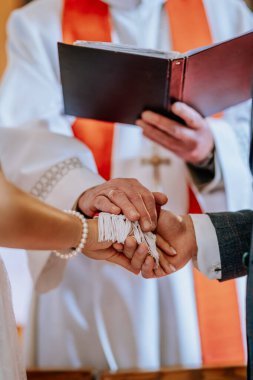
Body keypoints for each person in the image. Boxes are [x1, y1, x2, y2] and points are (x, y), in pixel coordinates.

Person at [0, 0, 252, 370]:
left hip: (198, 254)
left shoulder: (227, 14)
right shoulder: (40, 21)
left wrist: (211, 149)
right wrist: (86, 193)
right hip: (90, 259)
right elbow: (26, 134)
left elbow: (246, 124)